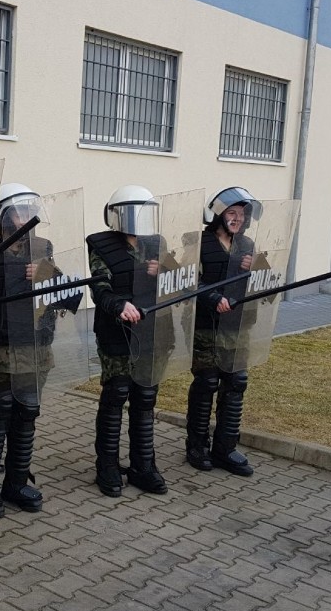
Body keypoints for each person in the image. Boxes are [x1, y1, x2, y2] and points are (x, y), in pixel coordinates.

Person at [0, 183, 53, 519]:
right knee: (0, 408)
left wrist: (46, 274)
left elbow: (60, 288)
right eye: (19, 211)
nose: (26, 218)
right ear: (2, 216)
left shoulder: (42, 247)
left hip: (34, 343)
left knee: (27, 409)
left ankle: (16, 480)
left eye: (31, 211)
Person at [86, 185, 168, 498]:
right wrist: (118, 305)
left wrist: (164, 272)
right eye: (133, 211)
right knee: (116, 393)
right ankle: (106, 465)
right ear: (118, 215)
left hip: (150, 332)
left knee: (145, 396)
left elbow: (179, 279)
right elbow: (100, 286)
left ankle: (143, 466)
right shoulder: (101, 244)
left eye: (144, 211)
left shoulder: (156, 244)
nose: (139, 219)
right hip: (116, 331)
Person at [185, 187, 258, 476]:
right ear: (218, 215)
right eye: (231, 213)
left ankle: (225, 447)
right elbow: (188, 281)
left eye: (242, 214)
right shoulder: (199, 244)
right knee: (207, 383)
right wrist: (214, 298)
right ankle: (197, 446)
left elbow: (264, 283)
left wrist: (257, 269)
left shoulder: (248, 245)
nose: (237, 219)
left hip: (238, 326)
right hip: (206, 326)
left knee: (236, 382)